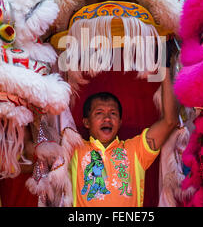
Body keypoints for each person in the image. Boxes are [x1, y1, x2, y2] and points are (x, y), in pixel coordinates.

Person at [69, 67, 178, 207]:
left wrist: (166, 68)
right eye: (99, 113)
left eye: (113, 113)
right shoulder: (74, 149)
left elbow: (170, 122)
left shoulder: (135, 150)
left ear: (120, 122)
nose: (107, 118)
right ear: (86, 122)